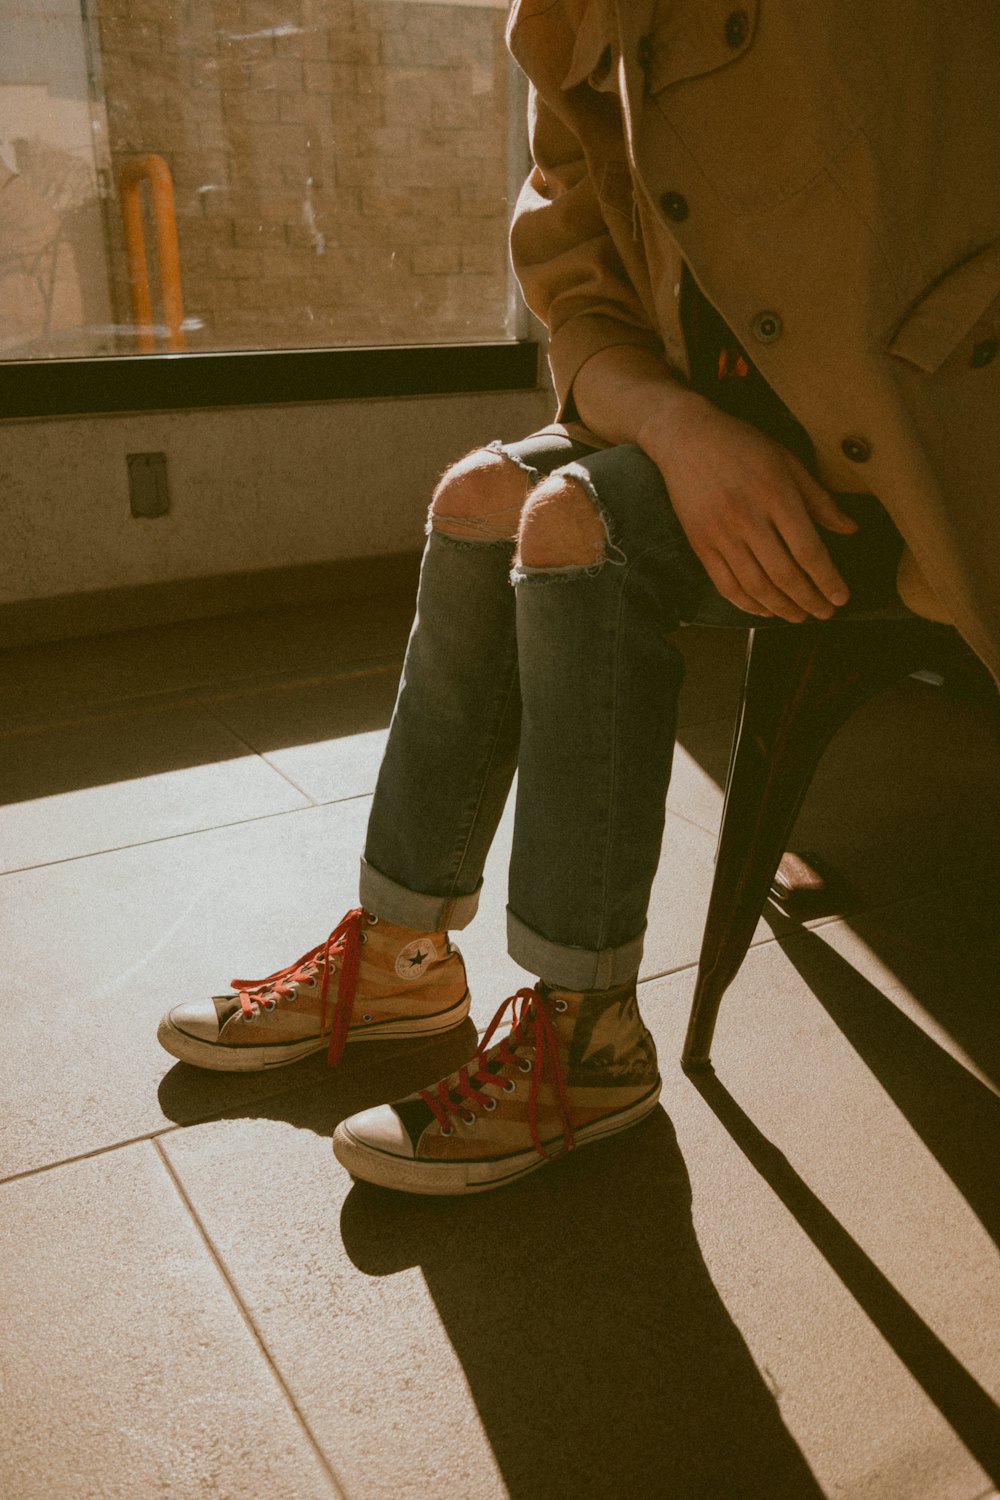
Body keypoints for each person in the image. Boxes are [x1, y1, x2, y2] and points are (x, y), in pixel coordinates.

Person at [158, 0, 1000, 1195]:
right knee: (477, 500)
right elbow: (578, 283)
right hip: (723, 433)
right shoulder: (573, 22)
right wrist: (674, 423)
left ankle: (590, 1044)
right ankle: (404, 955)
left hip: (924, 435)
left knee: (575, 524)